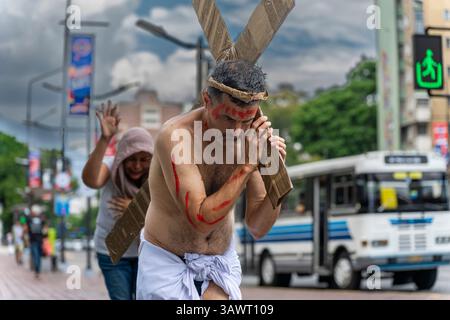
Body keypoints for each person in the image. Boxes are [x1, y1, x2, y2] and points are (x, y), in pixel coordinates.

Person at [137, 60, 287, 300]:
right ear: (207, 100)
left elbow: (258, 227)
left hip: (219, 262)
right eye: (228, 118)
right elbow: (201, 220)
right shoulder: (176, 136)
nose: (237, 131)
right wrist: (247, 165)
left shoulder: (253, 138)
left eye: (246, 121)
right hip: (167, 263)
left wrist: (273, 172)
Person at [82, 102, 154, 300]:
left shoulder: (158, 178)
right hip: (112, 253)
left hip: (146, 253)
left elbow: (168, 216)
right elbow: (91, 180)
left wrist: (135, 211)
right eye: (131, 158)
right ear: (122, 155)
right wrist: (105, 139)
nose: (137, 166)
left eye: (144, 158)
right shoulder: (111, 167)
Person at [26, 210, 46, 279]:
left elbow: (27, 222)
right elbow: (44, 230)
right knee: (38, 256)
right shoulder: (40, 221)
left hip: (33, 241)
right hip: (39, 241)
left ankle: (37, 270)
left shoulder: (30, 221)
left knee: (35, 256)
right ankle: (38, 270)